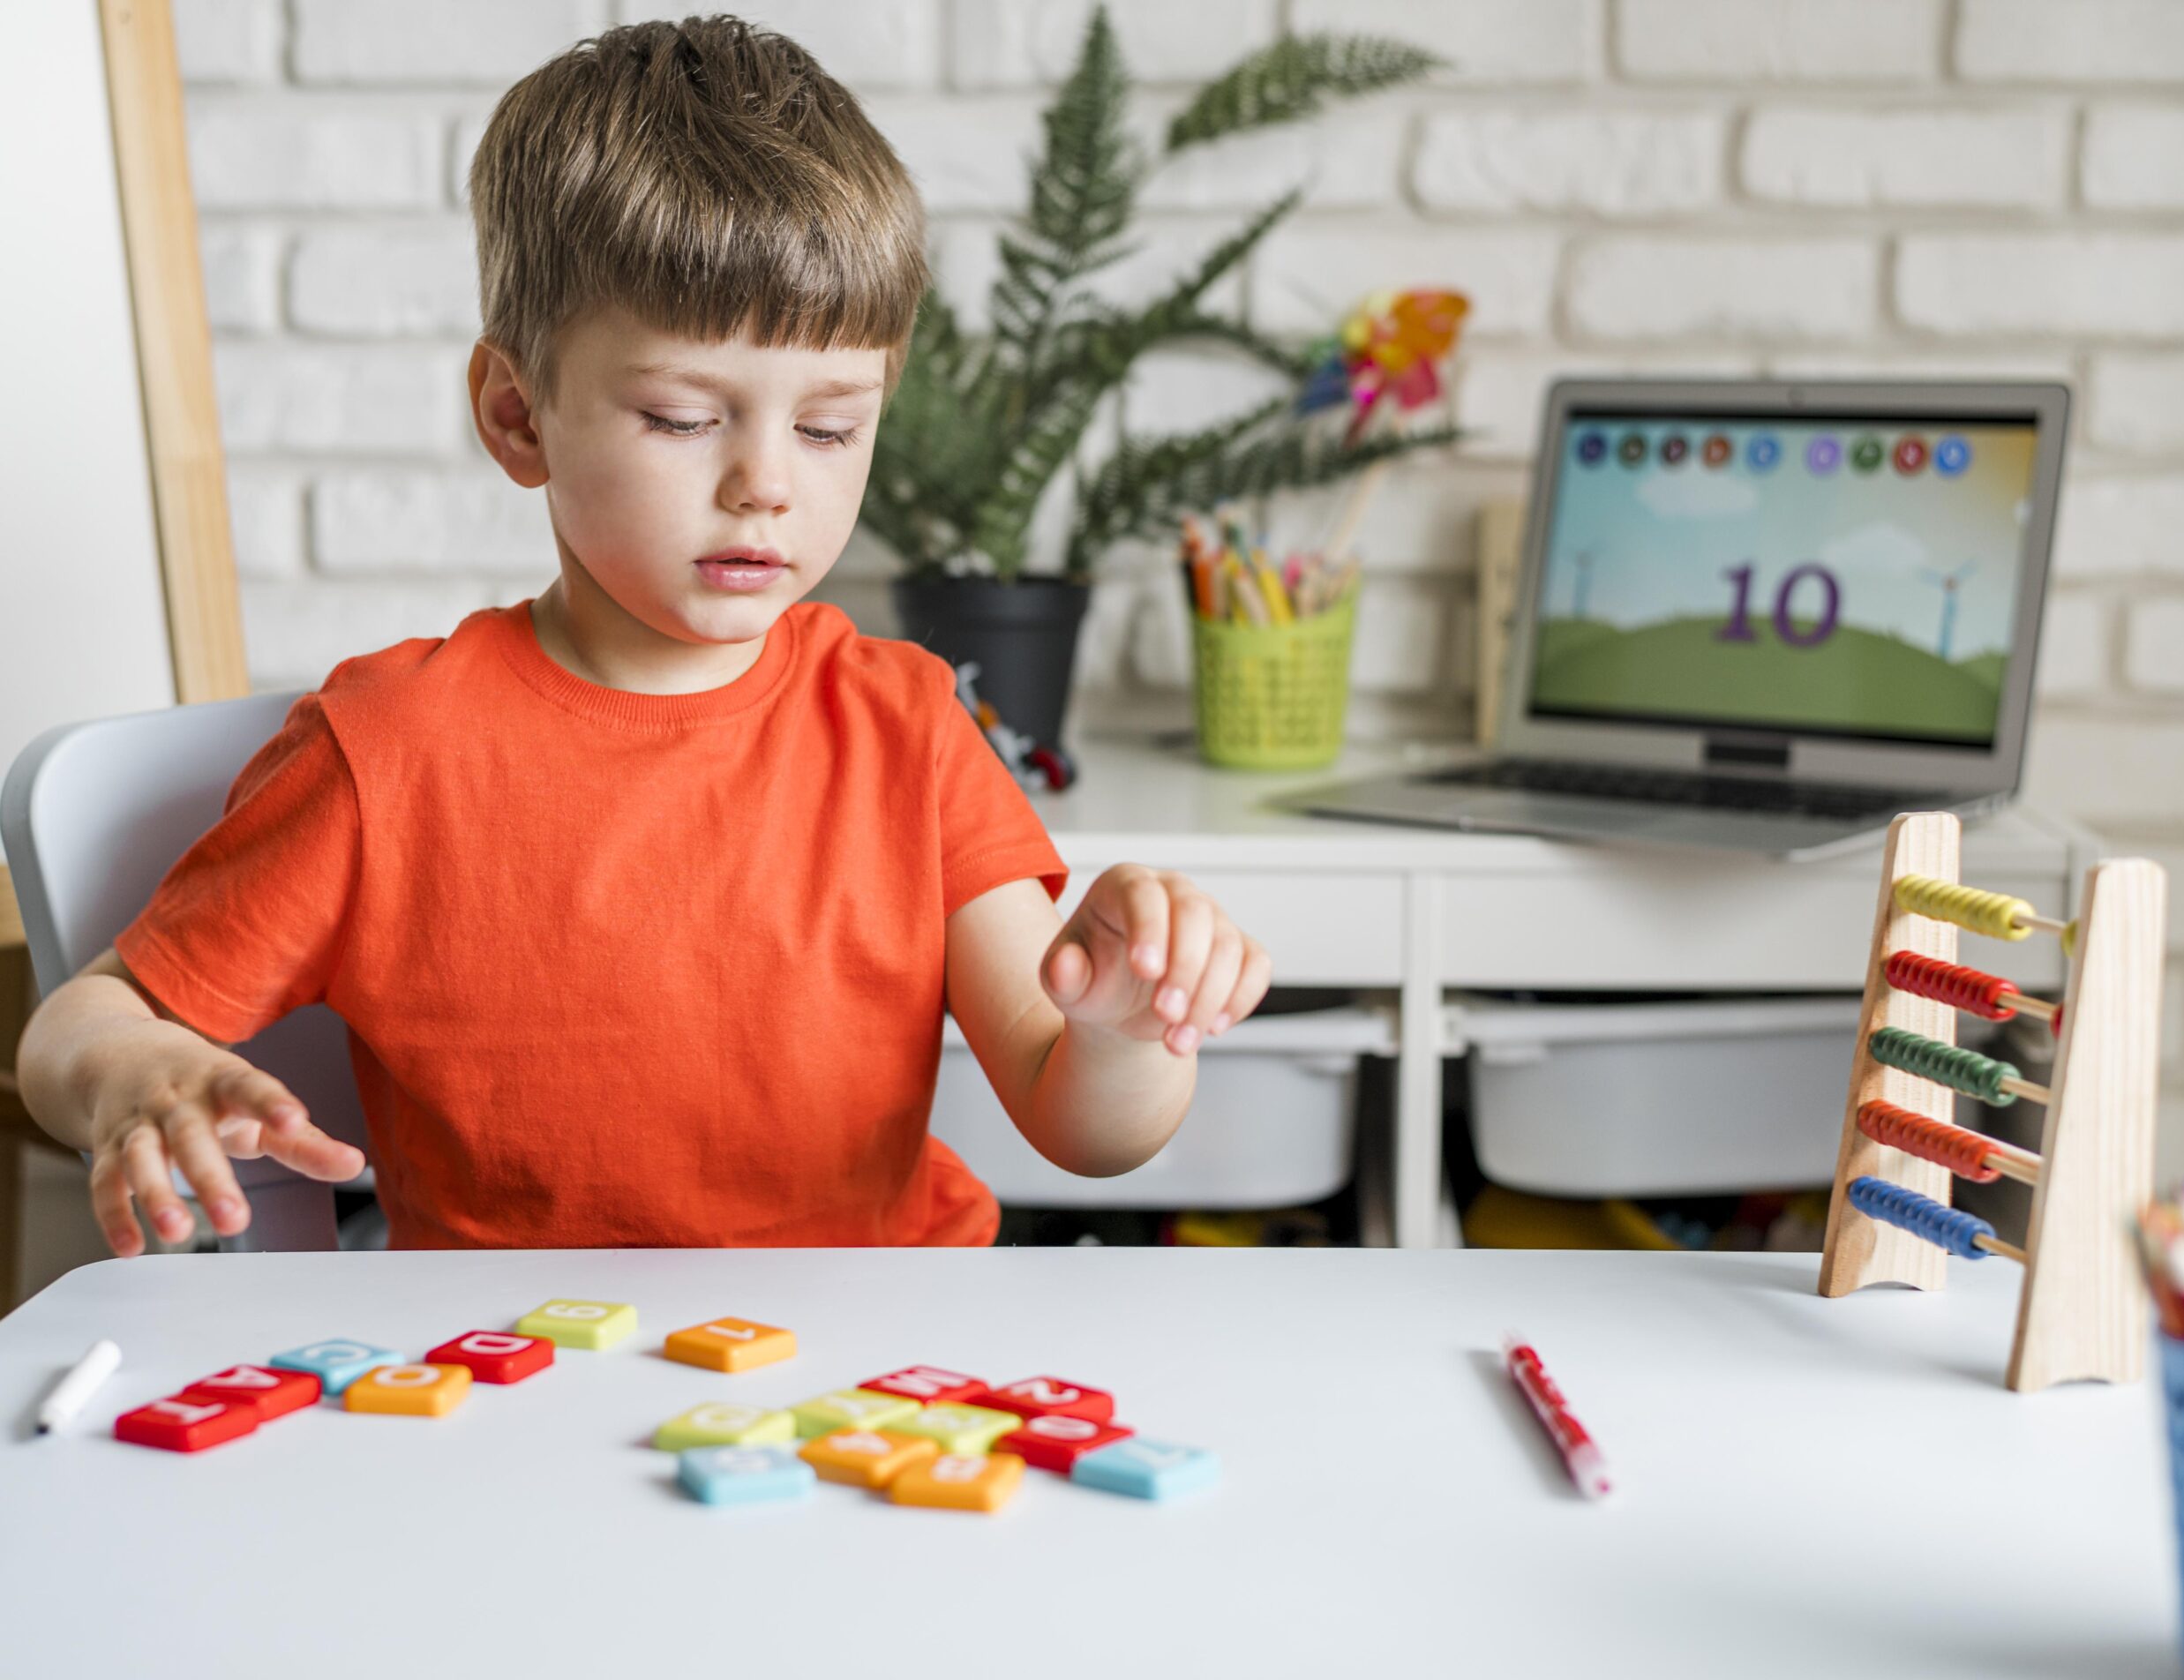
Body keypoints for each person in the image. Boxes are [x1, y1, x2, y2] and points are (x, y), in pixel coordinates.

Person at [16, 17, 1269, 1256]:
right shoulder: (386, 752)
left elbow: (1086, 1128)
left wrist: (1123, 1028)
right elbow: (75, 1027)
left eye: (831, 428)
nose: (766, 484)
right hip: (516, 1377)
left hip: (874, 1385)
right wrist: (135, 1072)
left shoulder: (906, 729)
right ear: (518, 416)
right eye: (680, 418)